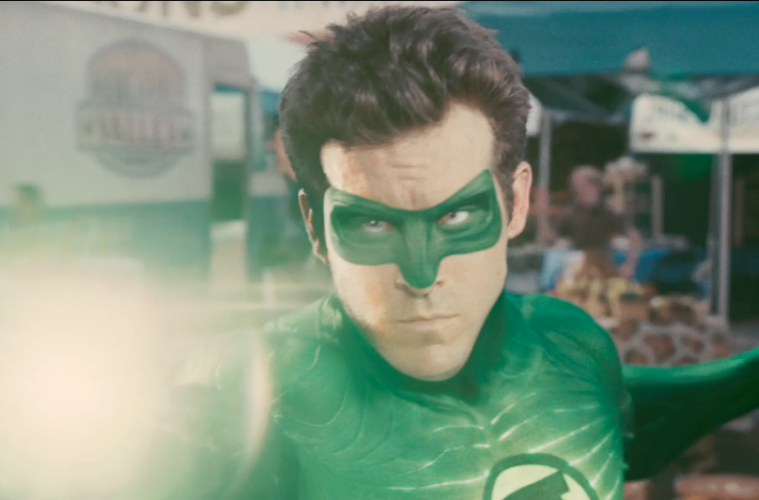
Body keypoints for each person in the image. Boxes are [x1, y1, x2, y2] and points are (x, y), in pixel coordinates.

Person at [162, 6, 759, 500]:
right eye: (373, 222)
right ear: (315, 228)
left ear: (515, 202)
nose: (422, 274)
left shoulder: (572, 347)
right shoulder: (256, 391)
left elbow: (630, 423)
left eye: (456, 217)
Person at [537, 166, 642, 280]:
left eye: (580, 185)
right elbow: (550, 239)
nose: (575, 189)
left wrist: (630, 266)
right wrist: (542, 215)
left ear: (595, 187)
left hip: (602, 266)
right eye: (574, 185)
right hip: (577, 268)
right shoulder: (570, 213)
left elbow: (634, 237)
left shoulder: (607, 212)